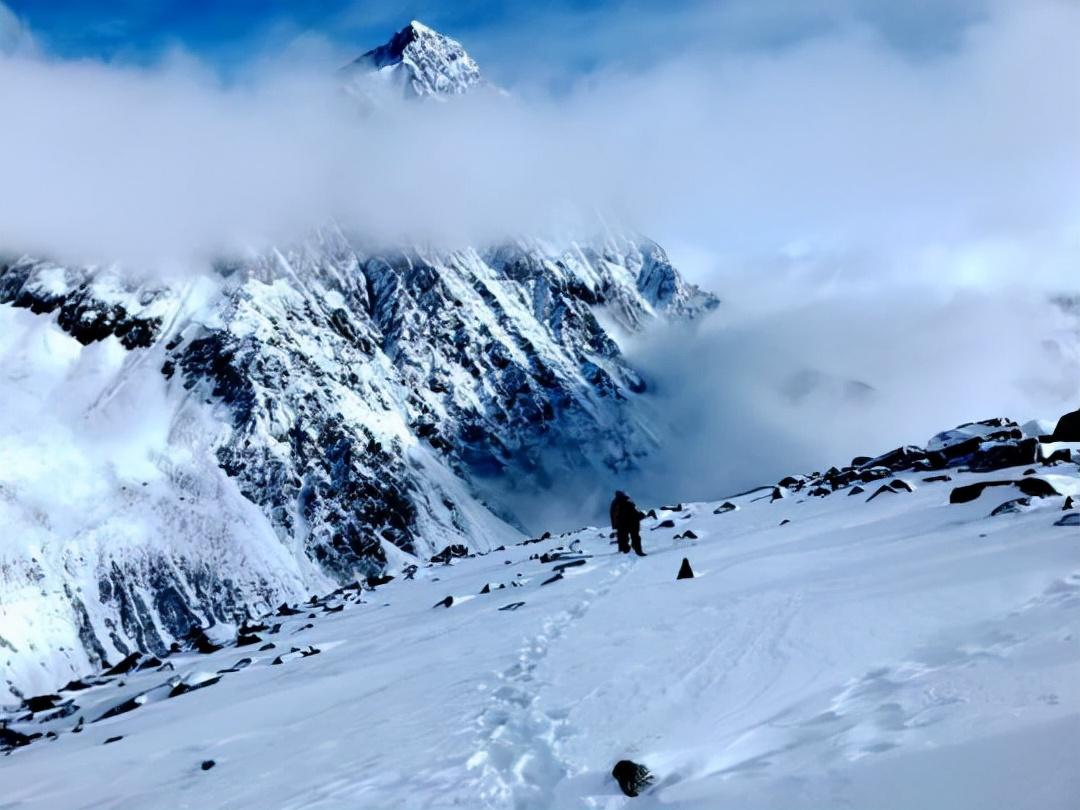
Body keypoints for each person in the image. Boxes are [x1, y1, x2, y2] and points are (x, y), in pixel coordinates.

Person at [610, 490, 646, 556]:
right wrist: (641, 515)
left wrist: (614, 526)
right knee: (635, 536)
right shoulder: (628, 500)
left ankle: (624, 550)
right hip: (632, 522)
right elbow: (636, 509)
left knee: (623, 537)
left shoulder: (615, 502)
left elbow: (613, 515)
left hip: (622, 523)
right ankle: (638, 550)